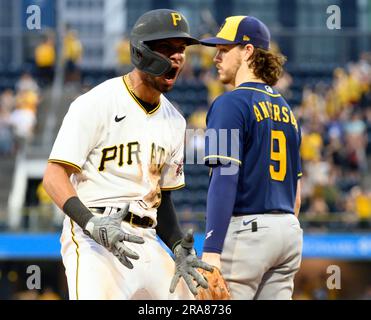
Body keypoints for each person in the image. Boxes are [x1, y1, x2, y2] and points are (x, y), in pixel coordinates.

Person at [43, 9, 211, 300]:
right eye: (167, 48)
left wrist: (177, 247)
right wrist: (90, 223)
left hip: (147, 238)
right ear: (141, 52)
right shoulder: (96, 102)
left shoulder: (175, 120)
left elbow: (164, 199)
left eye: (181, 50)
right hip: (94, 237)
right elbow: (54, 176)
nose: (178, 57)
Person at [197, 16, 303, 300]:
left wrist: (212, 250)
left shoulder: (229, 103)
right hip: (288, 231)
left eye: (224, 49)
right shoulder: (287, 111)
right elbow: (297, 192)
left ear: (248, 51)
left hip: (248, 234)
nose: (216, 57)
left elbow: (224, 177)